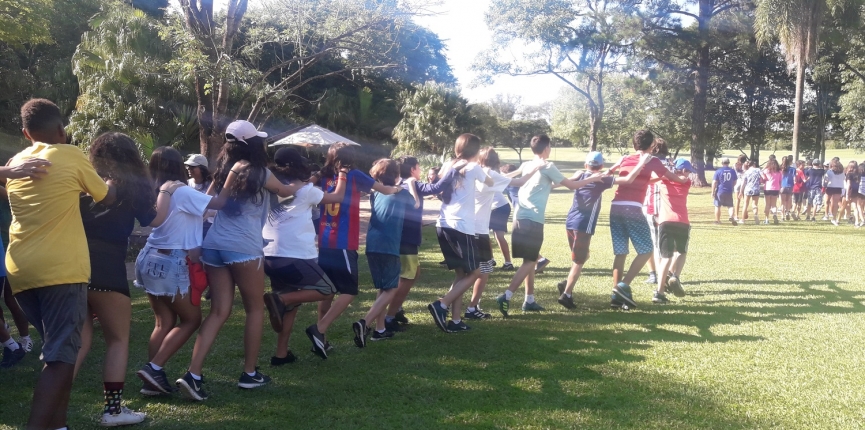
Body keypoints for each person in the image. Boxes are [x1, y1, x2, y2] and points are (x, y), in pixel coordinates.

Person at [8, 98, 116, 430]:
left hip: (21, 270)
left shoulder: (16, 161)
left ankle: (58, 425)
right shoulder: (70, 154)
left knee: (60, 352)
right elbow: (105, 198)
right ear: (62, 130)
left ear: (26, 134)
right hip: (60, 269)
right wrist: (109, 185)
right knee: (59, 358)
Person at [177, 120, 301, 401]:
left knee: (219, 311)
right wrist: (301, 183)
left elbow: (208, 202)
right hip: (244, 247)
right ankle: (249, 374)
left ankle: (193, 374)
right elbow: (284, 191)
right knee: (254, 310)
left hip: (214, 246)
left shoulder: (224, 170)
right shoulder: (260, 171)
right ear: (254, 144)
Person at [74, 133, 180, 426]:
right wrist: (167, 194)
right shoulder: (132, 189)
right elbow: (154, 220)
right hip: (108, 272)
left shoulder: (83, 183)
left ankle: (51, 400)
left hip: (74, 268)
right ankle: (113, 410)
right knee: (118, 340)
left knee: (78, 341)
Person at [134, 146, 236, 396]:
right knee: (191, 319)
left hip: (149, 257)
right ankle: (154, 367)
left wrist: (211, 183)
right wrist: (231, 175)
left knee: (163, 321)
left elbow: (201, 205)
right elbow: (220, 203)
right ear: (179, 164)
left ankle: (152, 380)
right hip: (172, 261)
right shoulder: (181, 190)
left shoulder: (161, 189)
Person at [495, 135, 606, 315]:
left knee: (529, 261)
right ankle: (506, 296)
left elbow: (552, 184)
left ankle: (529, 300)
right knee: (531, 261)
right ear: (547, 148)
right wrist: (592, 178)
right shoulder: (547, 166)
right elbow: (571, 186)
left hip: (519, 217)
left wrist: (575, 177)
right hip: (533, 219)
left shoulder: (528, 165)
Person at [306, 143, 398, 358]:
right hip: (343, 242)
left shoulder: (323, 175)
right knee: (348, 291)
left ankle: (322, 340)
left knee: (327, 291)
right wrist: (398, 189)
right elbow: (384, 189)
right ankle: (319, 330)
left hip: (325, 240)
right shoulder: (354, 174)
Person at [261, 148, 345, 363]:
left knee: (290, 308)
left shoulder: (271, 184)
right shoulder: (307, 191)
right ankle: (279, 299)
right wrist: (342, 174)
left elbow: (300, 184)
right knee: (327, 290)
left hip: (269, 254)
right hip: (295, 254)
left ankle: (281, 354)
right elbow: (337, 197)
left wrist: (316, 177)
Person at [604, 130, 687, 310]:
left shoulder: (626, 159)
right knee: (647, 249)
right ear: (652, 146)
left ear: (634, 145)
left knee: (621, 253)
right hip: (632, 209)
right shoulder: (653, 160)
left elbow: (625, 176)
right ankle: (623, 286)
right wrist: (683, 178)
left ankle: (615, 297)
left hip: (615, 207)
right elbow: (674, 178)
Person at [428, 133, 494, 332]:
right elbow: (490, 182)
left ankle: (455, 321)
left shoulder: (449, 165)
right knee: (475, 272)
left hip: (444, 224)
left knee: (461, 274)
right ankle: (441, 304)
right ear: (475, 150)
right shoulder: (473, 167)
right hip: (461, 227)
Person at [383, 156, 456, 330]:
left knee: (413, 273)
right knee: (407, 276)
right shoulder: (412, 184)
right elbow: (437, 187)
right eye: (419, 167)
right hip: (406, 238)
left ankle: (396, 308)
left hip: (400, 237)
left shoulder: (399, 184)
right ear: (413, 169)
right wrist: (454, 169)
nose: (420, 170)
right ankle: (389, 317)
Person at [466, 147, 538, 319]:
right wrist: (534, 169)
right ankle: (470, 308)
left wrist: (518, 171)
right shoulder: (490, 174)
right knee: (484, 271)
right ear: (496, 161)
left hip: (467, 227)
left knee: (467, 272)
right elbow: (520, 183)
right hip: (479, 229)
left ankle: (454, 306)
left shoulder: (475, 172)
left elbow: (504, 178)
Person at [351, 159, 415, 345]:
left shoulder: (375, 194)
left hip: (372, 244)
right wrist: (410, 186)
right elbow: (415, 205)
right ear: (396, 175)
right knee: (392, 288)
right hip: (389, 245)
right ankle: (365, 322)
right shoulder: (402, 193)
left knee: (384, 287)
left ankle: (379, 330)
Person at [556, 152, 618, 310]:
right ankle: (567, 294)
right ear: (601, 166)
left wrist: (613, 168)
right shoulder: (602, 180)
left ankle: (566, 283)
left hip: (570, 222)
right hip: (584, 224)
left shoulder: (581, 175)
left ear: (585, 165)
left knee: (581, 255)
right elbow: (627, 180)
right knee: (579, 260)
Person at [653, 159, 694, 304]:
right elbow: (682, 180)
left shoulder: (663, 182)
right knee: (681, 252)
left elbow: (651, 179)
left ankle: (659, 293)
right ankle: (675, 276)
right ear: (683, 170)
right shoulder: (687, 183)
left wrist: (665, 173)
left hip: (665, 221)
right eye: (688, 171)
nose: (689, 175)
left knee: (666, 257)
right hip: (682, 221)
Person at [641, 139, 670, 285]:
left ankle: (657, 275)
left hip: (653, 206)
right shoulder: (672, 163)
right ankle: (666, 272)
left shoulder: (650, 163)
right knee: (666, 243)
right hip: (670, 207)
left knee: (652, 242)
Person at [185, 153, 215, 237]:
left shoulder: (212, 186)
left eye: (192, 167)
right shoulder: (186, 184)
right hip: (190, 224)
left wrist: (209, 214)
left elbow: (222, 207)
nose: (189, 169)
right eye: (188, 166)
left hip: (208, 225)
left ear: (202, 169)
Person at [712, 157, 737, 225]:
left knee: (717, 206)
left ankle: (717, 221)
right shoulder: (732, 171)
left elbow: (714, 182)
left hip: (720, 191)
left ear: (722, 163)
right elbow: (735, 181)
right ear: (728, 163)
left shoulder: (718, 171)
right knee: (730, 206)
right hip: (729, 191)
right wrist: (731, 186)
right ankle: (731, 216)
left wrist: (713, 192)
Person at [838, 160, 859, 226]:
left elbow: (848, 185)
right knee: (855, 207)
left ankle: (838, 220)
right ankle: (857, 221)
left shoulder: (849, 174)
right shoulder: (858, 174)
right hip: (856, 192)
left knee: (843, 206)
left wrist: (847, 195)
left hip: (849, 191)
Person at [761, 157, 782, 225]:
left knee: (767, 204)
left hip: (767, 188)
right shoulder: (779, 172)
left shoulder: (766, 170)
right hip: (776, 188)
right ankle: (775, 214)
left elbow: (761, 173)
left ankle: (767, 219)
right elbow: (780, 181)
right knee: (774, 204)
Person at [824, 158, 844, 225]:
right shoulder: (842, 172)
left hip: (830, 187)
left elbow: (825, 180)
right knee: (835, 204)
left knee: (827, 201)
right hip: (838, 188)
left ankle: (827, 215)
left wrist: (824, 185)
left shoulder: (829, 171)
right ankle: (834, 218)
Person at [780, 156, 796, 220]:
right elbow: (795, 179)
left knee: (782, 202)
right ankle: (787, 212)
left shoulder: (781, 168)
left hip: (782, 186)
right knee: (788, 200)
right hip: (790, 186)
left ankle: (782, 216)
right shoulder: (793, 169)